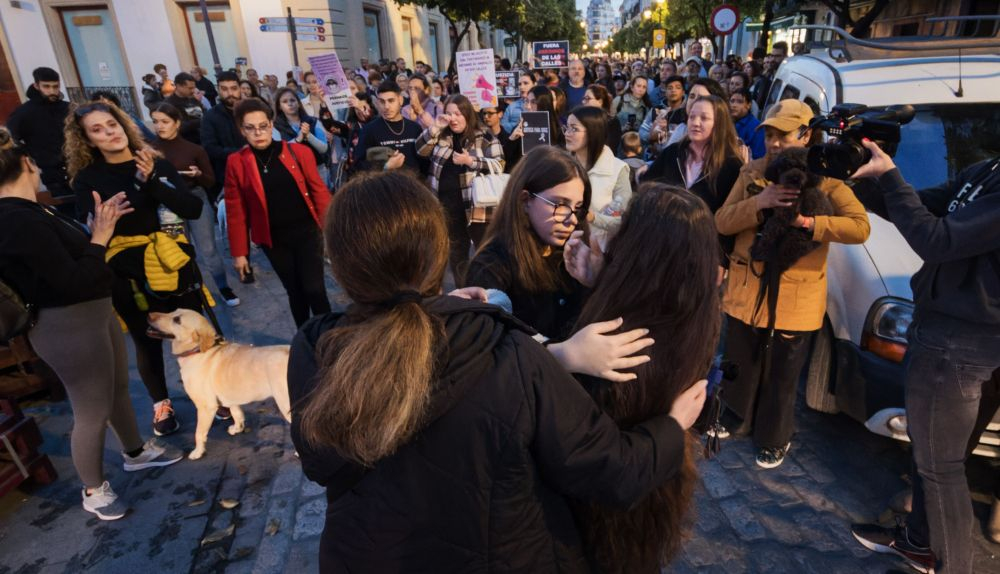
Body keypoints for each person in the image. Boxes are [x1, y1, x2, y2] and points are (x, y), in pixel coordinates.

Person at [288, 170, 703, 572]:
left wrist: (440, 309)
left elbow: (318, 462)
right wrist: (671, 426)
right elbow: (611, 470)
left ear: (338, 263)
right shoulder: (505, 349)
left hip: (363, 555)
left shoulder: (312, 350)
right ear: (438, 250)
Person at [0, 128, 184, 521]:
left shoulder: (34, 210)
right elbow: (72, 280)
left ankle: (135, 452)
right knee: (91, 408)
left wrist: (96, 229)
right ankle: (93, 490)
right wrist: (101, 236)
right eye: (36, 164)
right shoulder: (15, 219)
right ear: (27, 164)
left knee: (117, 389)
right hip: (66, 324)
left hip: (94, 313)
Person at [849, 143, 1000, 574]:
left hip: (959, 341)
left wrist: (890, 176)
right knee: (935, 455)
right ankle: (918, 542)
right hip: (951, 331)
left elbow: (936, 240)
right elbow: (922, 209)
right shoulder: (988, 168)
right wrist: (865, 179)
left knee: (940, 469)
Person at [563, 183, 721, 573]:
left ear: (639, 251)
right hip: (659, 486)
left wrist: (565, 352)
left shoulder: (619, 343)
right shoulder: (698, 315)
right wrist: (597, 281)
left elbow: (592, 455)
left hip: (604, 503)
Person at [714, 99, 871, 468]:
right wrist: (760, 203)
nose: (774, 143)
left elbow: (860, 227)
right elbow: (722, 221)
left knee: (783, 374)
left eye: (782, 135)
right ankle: (734, 417)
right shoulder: (753, 171)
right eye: (769, 134)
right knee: (741, 359)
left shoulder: (828, 179)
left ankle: (774, 437)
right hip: (747, 289)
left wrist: (810, 224)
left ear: (805, 135)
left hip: (796, 295)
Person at [65, 102, 205, 437]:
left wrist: (152, 181)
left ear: (123, 125)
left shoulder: (156, 163)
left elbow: (192, 208)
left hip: (173, 260)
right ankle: (161, 403)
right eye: (97, 130)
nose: (109, 132)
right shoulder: (88, 179)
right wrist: (108, 216)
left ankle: (210, 394)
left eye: (111, 124)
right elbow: (93, 226)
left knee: (192, 330)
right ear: (87, 140)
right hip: (126, 270)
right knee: (146, 339)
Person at [224, 98, 332, 327]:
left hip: (307, 232)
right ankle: (304, 337)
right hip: (273, 240)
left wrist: (333, 230)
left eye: (263, 126)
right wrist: (240, 253)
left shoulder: (299, 152)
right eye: (250, 128)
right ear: (242, 130)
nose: (258, 133)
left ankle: (328, 337)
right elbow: (236, 210)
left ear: (271, 125)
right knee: (295, 291)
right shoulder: (236, 162)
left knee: (315, 289)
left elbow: (319, 192)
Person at [466, 147, 589, 341]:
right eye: (560, 204)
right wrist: (560, 353)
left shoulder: (573, 256)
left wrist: (597, 279)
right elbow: (489, 346)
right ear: (525, 200)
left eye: (578, 207)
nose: (572, 219)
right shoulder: (491, 267)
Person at [150, 103, 239, 307]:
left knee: (208, 248)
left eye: (165, 121)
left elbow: (210, 180)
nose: (159, 126)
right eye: (155, 121)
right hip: (168, 205)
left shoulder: (194, 149)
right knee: (178, 248)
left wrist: (198, 174)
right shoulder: (150, 150)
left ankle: (223, 287)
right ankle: (189, 289)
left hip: (195, 197)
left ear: (177, 123)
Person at [415, 94, 505, 282]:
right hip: (447, 206)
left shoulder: (485, 136)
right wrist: (435, 126)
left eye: (458, 114)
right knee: (457, 255)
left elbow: (499, 165)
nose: (453, 118)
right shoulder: (441, 134)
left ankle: (490, 289)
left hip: (478, 208)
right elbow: (420, 150)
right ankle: (463, 290)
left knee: (485, 252)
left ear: (467, 114)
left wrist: (470, 161)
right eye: (449, 113)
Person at [641, 94, 743, 217]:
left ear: (719, 123)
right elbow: (646, 186)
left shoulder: (731, 166)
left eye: (704, 118)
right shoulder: (672, 152)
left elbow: (728, 215)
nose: (695, 123)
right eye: (692, 117)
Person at [564, 106, 631, 247]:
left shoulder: (617, 169)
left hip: (601, 249)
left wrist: (592, 217)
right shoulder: (561, 164)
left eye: (574, 129)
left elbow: (624, 221)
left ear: (593, 132)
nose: (567, 133)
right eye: (567, 127)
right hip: (563, 245)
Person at [5, 67, 72, 209]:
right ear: (36, 86)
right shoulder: (24, 113)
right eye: (46, 86)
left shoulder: (68, 108)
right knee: (66, 210)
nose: (52, 91)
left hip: (77, 167)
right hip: (49, 173)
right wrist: (30, 155)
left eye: (55, 86)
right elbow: (10, 140)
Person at [351, 81, 425, 175]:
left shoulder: (415, 128)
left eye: (391, 101)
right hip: (383, 182)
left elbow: (424, 162)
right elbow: (359, 165)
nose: (386, 106)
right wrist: (386, 167)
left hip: (412, 183)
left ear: (400, 100)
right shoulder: (369, 130)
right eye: (382, 102)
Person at [200, 71, 246, 198]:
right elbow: (210, 148)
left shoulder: (251, 111)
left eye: (234, 88)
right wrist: (241, 152)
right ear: (218, 90)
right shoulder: (210, 117)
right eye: (224, 89)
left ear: (240, 88)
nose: (230, 93)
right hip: (227, 176)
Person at [272, 87, 330, 184]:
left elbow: (324, 148)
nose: (290, 104)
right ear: (279, 106)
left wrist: (308, 135)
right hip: (293, 172)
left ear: (299, 103)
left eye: (292, 100)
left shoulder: (313, 121)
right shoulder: (275, 127)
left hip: (317, 170)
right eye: (285, 101)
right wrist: (298, 139)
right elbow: (279, 152)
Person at [640, 74, 687, 156]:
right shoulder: (656, 110)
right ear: (665, 92)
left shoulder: (687, 112)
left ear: (683, 92)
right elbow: (642, 133)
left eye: (678, 87)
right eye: (670, 88)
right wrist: (651, 136)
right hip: (653, 158)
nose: (673, 90)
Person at [89, 90, 156, 142]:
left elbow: (150, 137)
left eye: (110, 104)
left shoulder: (131, 119)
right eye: (101, 105)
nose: (107, 108)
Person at [165, 72, 206, 144]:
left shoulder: (192, 99)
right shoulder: (169, 104)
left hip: (203, 138)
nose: (193, 90)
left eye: (194, 87)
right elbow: (179, 126)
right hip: (188, 143)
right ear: (178, 86)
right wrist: (201, 121)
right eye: (190, 88)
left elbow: (203, 112)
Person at [580, 84, 622, 155]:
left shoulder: (612, 122)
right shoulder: (581, 120)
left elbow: (611, 147)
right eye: (584, 98)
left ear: (600, 101)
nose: (583, 102)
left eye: (588, 98)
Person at [729, 87, 765, 160]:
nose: (734, 105)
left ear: (748, 105)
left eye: (740, 102)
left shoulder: (757, 127)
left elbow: (758, 157)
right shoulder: (727, 121)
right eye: (732, 101)